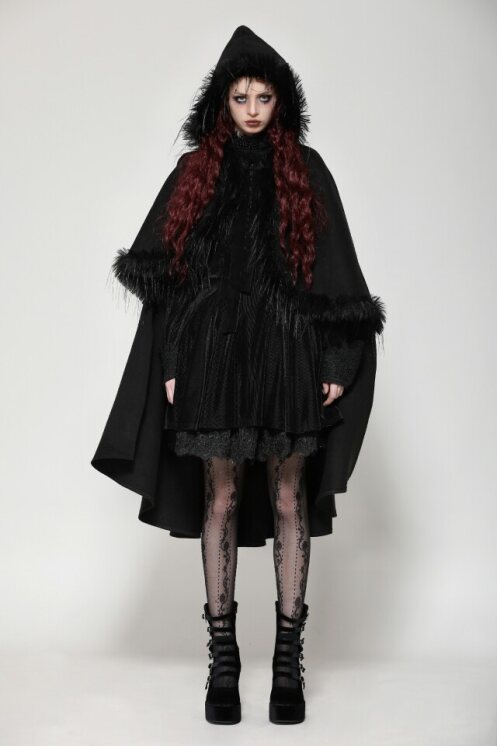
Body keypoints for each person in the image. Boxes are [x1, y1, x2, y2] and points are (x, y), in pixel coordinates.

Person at [91, 25, 386, 725]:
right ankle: (222, 660)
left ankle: (287, 660)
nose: (252, 109)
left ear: (281, 102)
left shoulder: (306, 170)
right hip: (212, 357)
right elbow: (168, 280)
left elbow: (337, 270)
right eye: (240, 97)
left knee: (288, 497)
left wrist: (335, 362)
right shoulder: (195, 171)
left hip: (286, 355)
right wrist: (170, 365)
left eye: (263, 97)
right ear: (221, 102)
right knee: (219, 497)